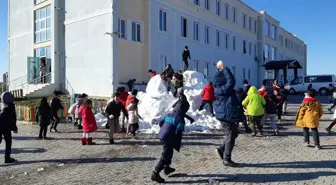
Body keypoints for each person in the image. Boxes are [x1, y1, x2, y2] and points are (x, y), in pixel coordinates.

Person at [151, 95, 190, 183]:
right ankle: (155, 173)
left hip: (163, 135)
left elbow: (161, 122)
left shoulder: (169, 113)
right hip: (169, 137)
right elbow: (179, 131)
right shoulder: (180, 119)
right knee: (165, 155)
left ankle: (167, 168)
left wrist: (165, 129)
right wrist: (176, 140)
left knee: (169, 151)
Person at [213, 60, 243, 167]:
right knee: (231, 134)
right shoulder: (223, 89)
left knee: (234, 133)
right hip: (225, 115)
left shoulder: (220, 88)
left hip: (225, 113)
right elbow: (231, 81)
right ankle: (226, 158)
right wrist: (224, 69)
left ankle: (222, 149)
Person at [0, 92, 18, 163]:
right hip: (6, 126)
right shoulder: (11, 106)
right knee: (8, 142)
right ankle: (7, 158)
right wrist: (14, 128)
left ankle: (7, 158)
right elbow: (12, 119)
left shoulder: (1, 104)